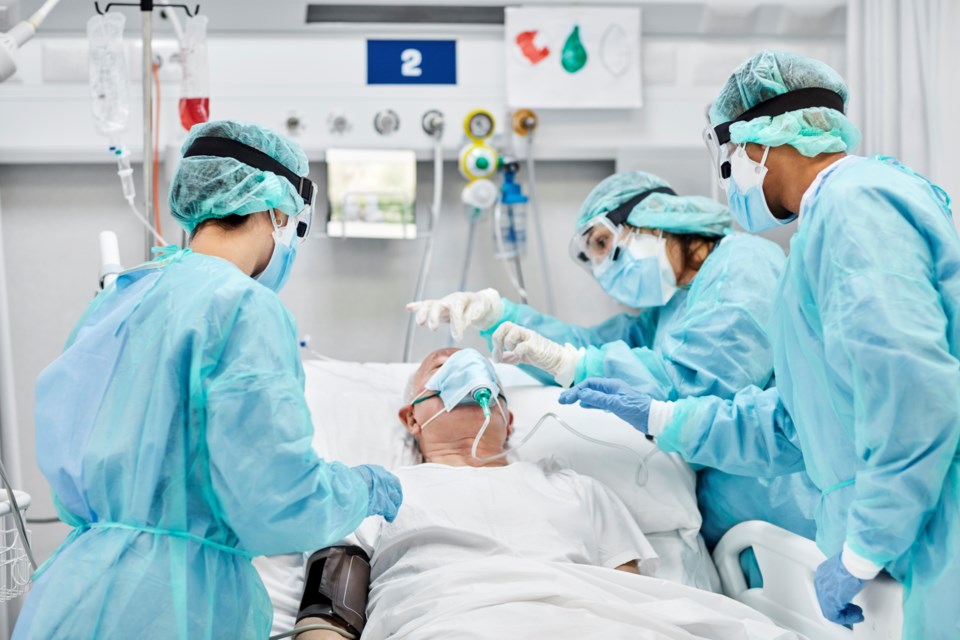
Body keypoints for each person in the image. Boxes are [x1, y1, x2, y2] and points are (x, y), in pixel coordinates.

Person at [562, 50, 960, 638]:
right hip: (904, 543)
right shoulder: (817, 239)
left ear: (764, 141)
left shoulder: (856, 206)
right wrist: (660, 416)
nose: (731, 176)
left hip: (928, 536)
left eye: (732, 157)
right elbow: (794, 426)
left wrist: (862, 551)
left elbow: (916, 398)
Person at [13, 121, 403, 640]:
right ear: (279, 211)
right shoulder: (244, 308)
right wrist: (362, 489)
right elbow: (278, 500)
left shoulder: (122, 297)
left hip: (73, 595)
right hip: (171, 609)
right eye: (295, 227)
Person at [407, 172, 818, 563]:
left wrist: (576, 363)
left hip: (789, 505)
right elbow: (592, 348)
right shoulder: (670, 309)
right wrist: (497, 315)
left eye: (603, 244)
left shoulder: (744, 265)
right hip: (734, 521)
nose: (602, 268)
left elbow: (702, 384)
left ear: (651, 220)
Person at [290, 348, 801, 640]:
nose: (464, 367)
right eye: (441, 367)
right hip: (451, 624)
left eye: (478, 368)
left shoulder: (575, 487)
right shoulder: (374, 490)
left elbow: (632, 597)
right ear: (411, 417)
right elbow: (329, 612)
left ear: (508, 418)